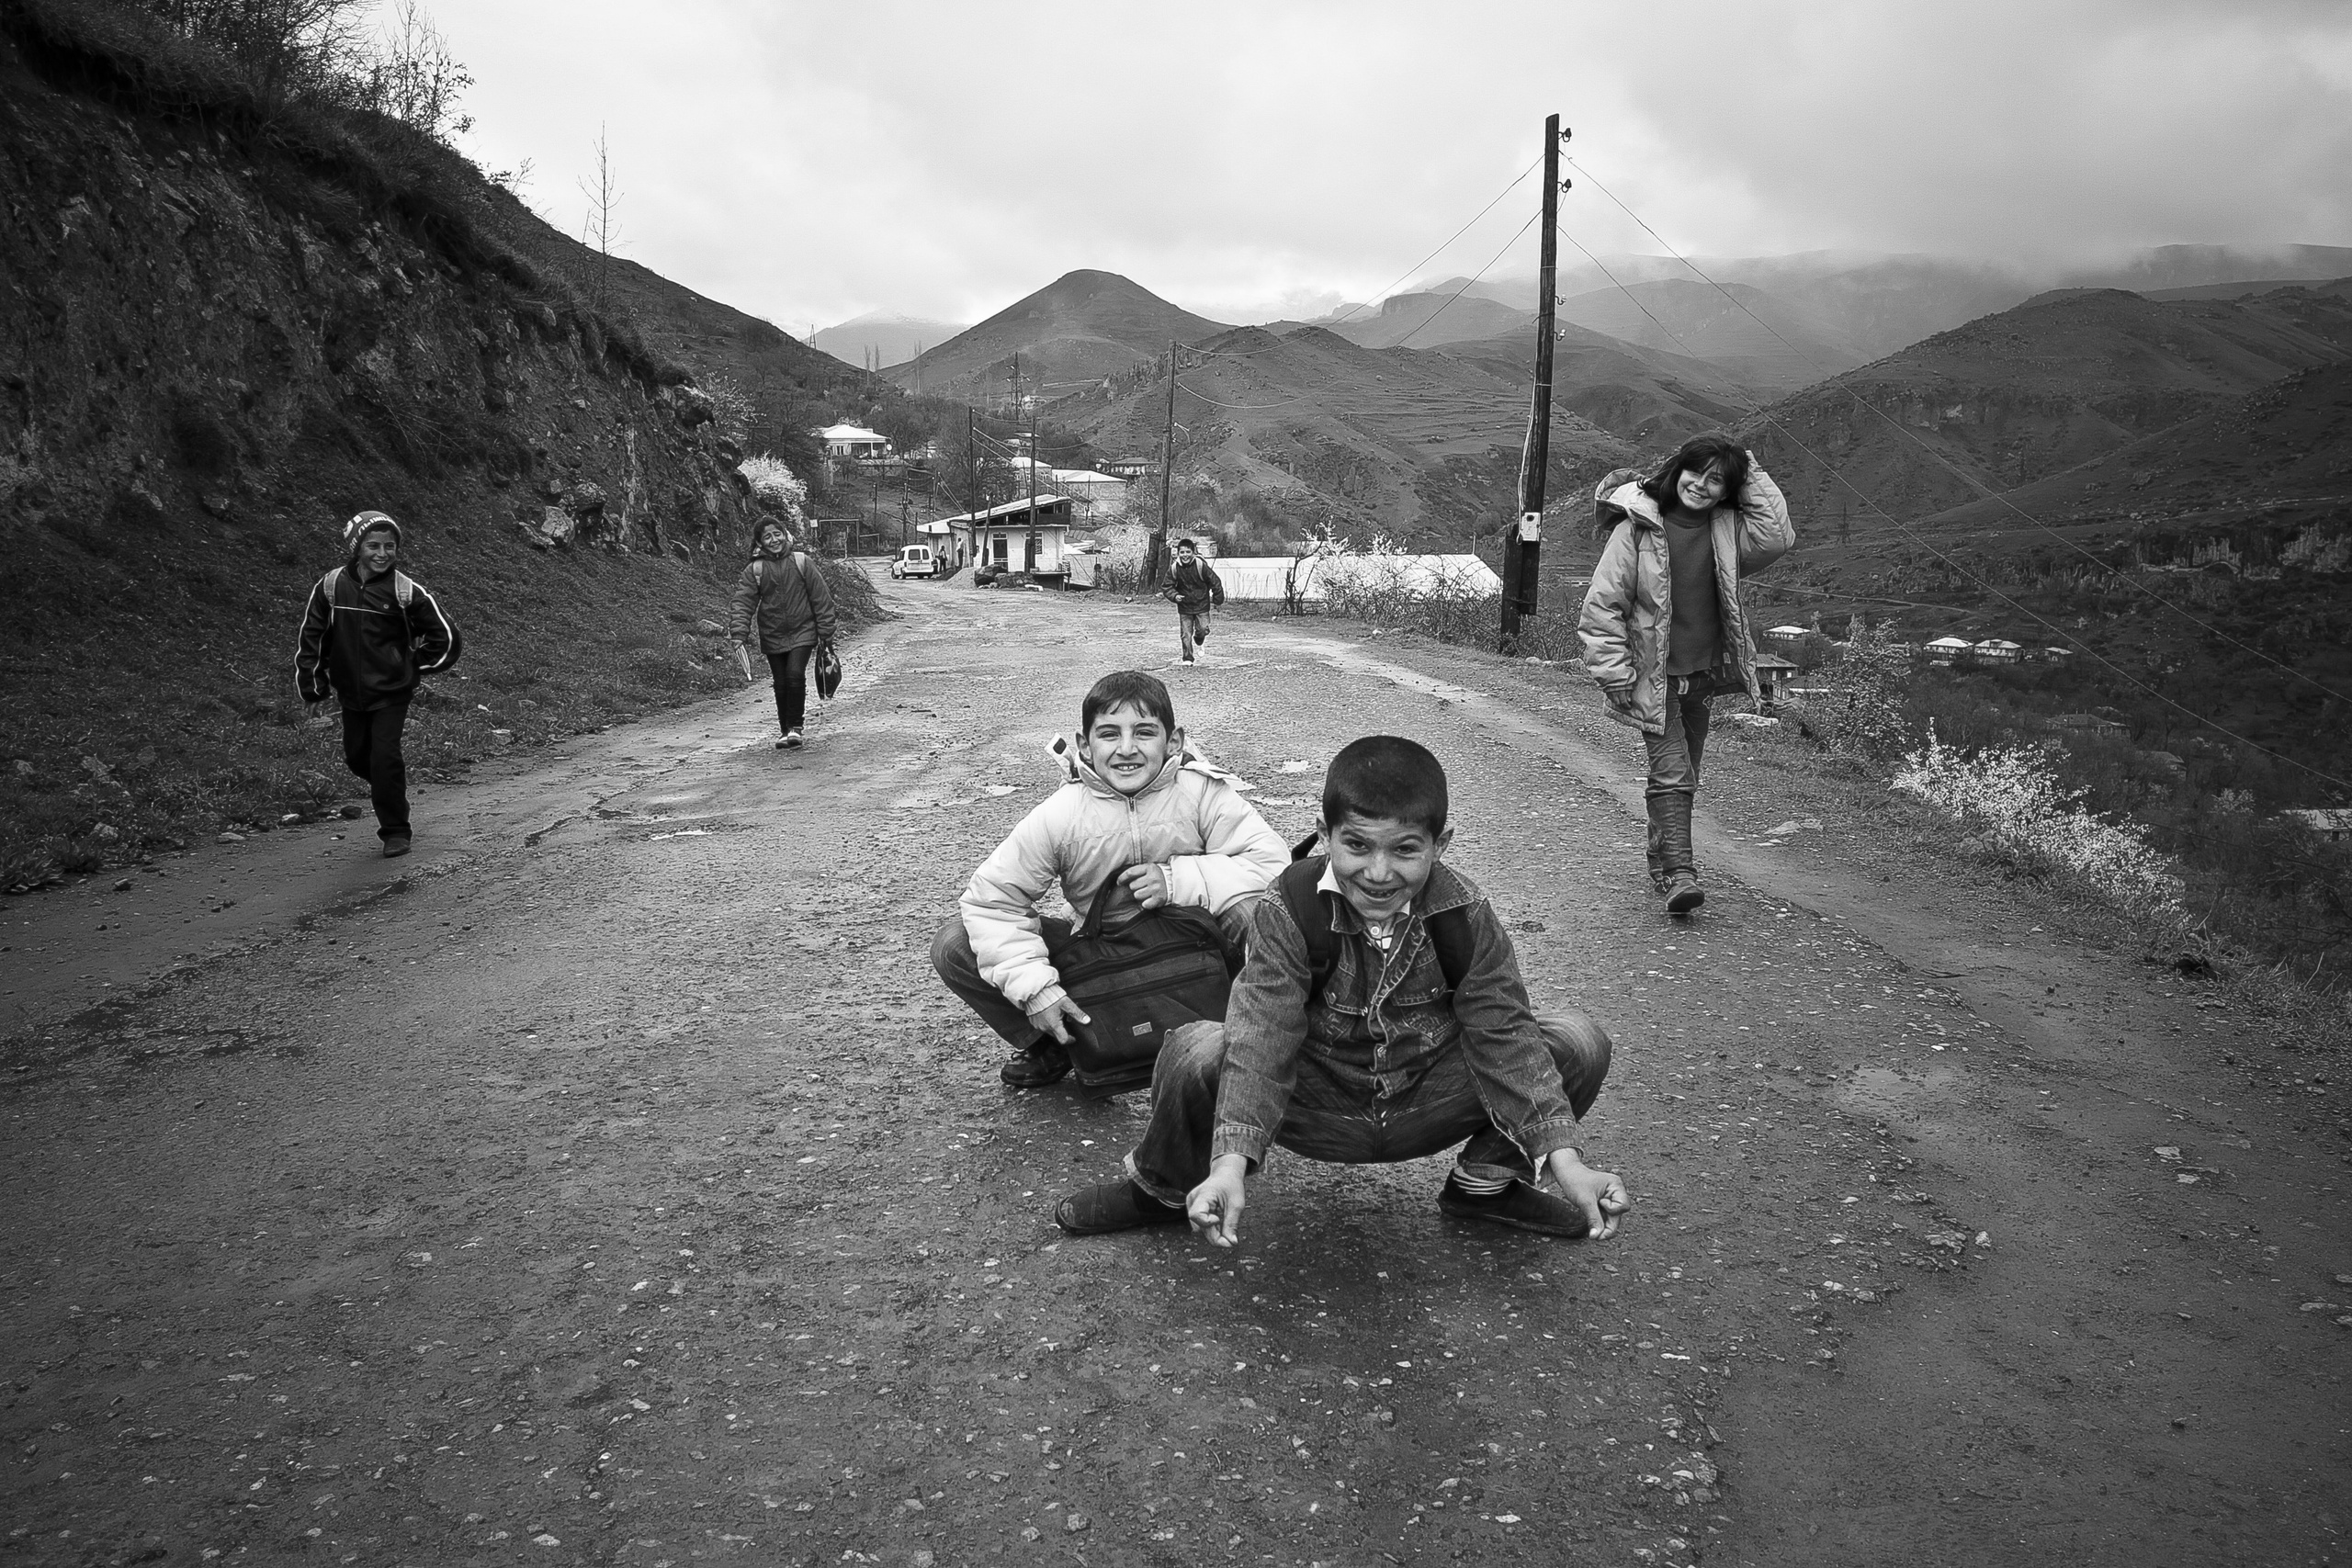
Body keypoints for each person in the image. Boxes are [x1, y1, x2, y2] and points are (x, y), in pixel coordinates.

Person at [1055, 736, 1629, 1245]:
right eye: (1357, 846)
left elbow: (1503, 1036)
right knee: (1197, 1047)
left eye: (1405, 849)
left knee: (1576, 1041)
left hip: (1421, 1102)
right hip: (1314, 1107)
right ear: (1325, 835)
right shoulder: (1288, 907)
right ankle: (1165, 1188)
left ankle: (1485, 1184)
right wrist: (1230, 1165)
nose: (1378, 873)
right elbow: (1263, 1037)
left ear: (1440, 843)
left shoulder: (1464, 913)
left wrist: (1567, 1161)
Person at [932, 669, 1288, 1089]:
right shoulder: (1060, 814)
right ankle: (1059, 1043)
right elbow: (992, 901)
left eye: (1144, 732)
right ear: (1085, 744)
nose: (1126, 749)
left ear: (1174, 740)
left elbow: (1273, 865)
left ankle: (1262, 1041)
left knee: (1258, 913)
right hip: (1103, 955)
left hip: (1195, 949)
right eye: (1108, 734)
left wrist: (1176, 880)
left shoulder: (1202, 792)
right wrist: (1036, 990)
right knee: (955, 944)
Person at [1577, 435, 1794, 914]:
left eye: (1717, 479)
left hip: (1702, 676)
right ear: (1677, 471)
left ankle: (1661, 861)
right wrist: (1613, 672)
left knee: (1683, 775)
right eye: (1696, 472)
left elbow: (1776, 537)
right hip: (1652, 676)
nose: (1702, 484)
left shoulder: (1727, 531)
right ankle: (1680, 875)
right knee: (1673, 773)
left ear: (1726, 491)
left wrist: (1749, 467)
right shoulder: (1636, 530)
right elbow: (1603, 607)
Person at [295, 510, 462, 859]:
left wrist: (411, 666)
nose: (382, 553)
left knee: (384, 758)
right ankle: (388, 788)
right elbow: (313, 636)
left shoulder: (405, 591)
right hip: (350, 693)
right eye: (373, 545)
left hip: (391, 693)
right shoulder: (331, 585)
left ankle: (395, 831)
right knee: (358, 758)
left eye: (390, 546)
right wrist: (313, 685)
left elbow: (446, 637)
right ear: (357, 547)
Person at [729, 516, 837, 750]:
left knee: (795, 674)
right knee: (780, 683)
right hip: (772, 633)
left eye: (777, 533)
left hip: (803, 631)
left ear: (785, 534)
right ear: (760, 542)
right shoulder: (755, 569)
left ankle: (795, 728)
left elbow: (821, 598)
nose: (774, 539)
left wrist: (826, 632)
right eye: (767, 537)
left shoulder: (802, 562)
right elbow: (742, 602)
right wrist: (739, 633)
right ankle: (784, 730)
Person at [1163, 538, 1224, 665]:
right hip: (1184, 607)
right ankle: (1187, 658)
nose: (1185, 555)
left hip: (1202, 605)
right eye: (1182, 552)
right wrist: (1175, 596)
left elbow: (1215, 582)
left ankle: (1199, 638)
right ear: (1178, 553)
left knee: (1203, 628)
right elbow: (1167, 586)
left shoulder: (1201, 566)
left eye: (1188, 552)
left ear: (1193, 552)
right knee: (1185, 634)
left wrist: (1218, 599)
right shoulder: (1174, 568)